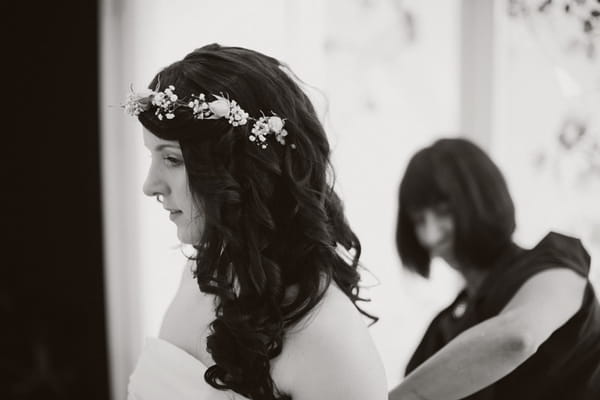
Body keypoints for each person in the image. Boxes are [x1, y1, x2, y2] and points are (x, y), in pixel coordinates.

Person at [122, 43, 387, 400]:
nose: (149, 186)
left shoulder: (332, 341)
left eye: (172, 160)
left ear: (244, 170)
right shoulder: (199, 275)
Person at [390, 138, 600, 400]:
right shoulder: (441, 331)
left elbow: (517, 337)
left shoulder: (555, 261)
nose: (430, 235)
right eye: (419, 220)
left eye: (443, 212)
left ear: (481, 202)